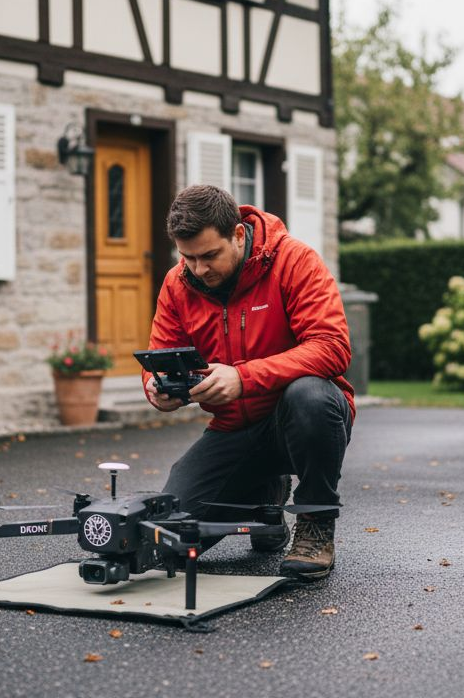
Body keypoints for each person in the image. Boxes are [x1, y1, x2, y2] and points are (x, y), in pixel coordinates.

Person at [142, 184, 354, 580]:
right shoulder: (177, 283)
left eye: (209, 255)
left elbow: (332, 347)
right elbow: (161, 354)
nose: (199, 269)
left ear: (238, 235)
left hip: (304, 420)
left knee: (309, 395)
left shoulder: (296, 261)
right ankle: (265, 501)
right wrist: (158, 390)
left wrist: (244, 377)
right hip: (234, 429)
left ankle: (315, 523)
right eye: (188, 257)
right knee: (167, 538)